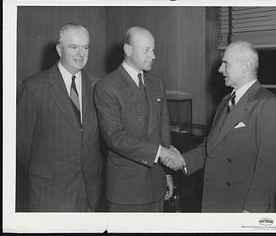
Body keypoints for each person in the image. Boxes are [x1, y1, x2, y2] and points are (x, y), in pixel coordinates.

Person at [175, 41, 276, 212]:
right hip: (215, 200)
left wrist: (251, 212)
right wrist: (180, 160)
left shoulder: (267, 103)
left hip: (241, 206)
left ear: (246, 66)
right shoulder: (225, 101)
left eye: (226, 64)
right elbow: (211, 147)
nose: (220, 69)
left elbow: (269, 168)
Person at [94, 26, 185, 212]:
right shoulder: (107, 86)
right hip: (127, 189)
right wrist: (162, 154)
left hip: (156, 183)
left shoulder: (155, 83)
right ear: (128, 50)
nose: (153, 56)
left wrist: (167, 175)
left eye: (153, 49)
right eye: (147, 50)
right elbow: (115, 137)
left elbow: (163, 132)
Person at [16, 23, 103, 212]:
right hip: (49, 190)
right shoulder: (34, 86)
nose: (81, 53)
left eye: (85, 47)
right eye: (73, 47)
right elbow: (21, 144)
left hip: (89, 190)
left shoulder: (98, 86)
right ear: (59, 49)